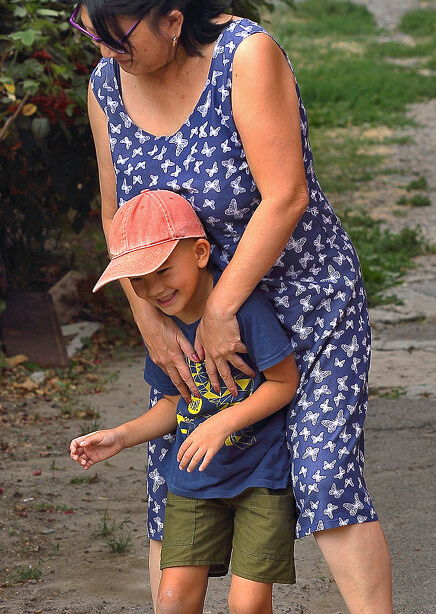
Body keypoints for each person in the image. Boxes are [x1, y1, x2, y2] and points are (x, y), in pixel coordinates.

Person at [61, 0, 393, 614]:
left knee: (325, 476)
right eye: (92, 35)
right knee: (175, 478)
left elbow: (286, 196)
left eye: (119, 40)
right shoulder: (105, 86)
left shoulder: (245, 56)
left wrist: (222, 311)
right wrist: (150, 318)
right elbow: (115, 217)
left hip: (305, 303)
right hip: (184, 306)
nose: (105, 53)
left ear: (172, 20)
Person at [70, 189, 301, 614]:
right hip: (194, 483)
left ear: (198, 253)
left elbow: (284, 383)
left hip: (260, 476)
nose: (152, 289)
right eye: (137, 280)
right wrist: (122, 436)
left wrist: (223, 422)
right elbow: (174, 404)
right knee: (173, 600)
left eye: (161, 271)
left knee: (248, 604)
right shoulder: (164, 331)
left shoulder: (242, 311)